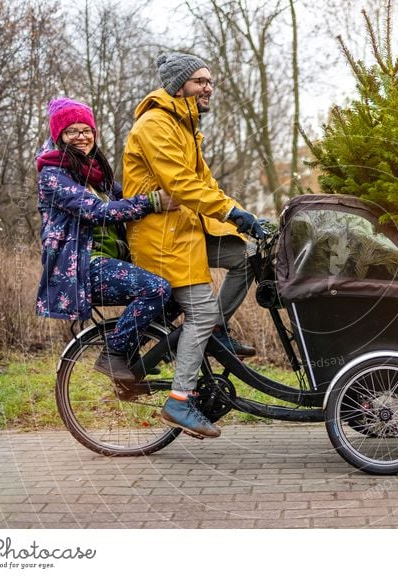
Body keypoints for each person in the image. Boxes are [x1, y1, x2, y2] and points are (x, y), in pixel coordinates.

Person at [123, 52, 265, 439]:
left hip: (186, 230)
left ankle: (216, 328)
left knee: (249, 255)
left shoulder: (185, 127)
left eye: (210, 82)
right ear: (179, 84)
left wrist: (243, 215)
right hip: (162, 237)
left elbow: (206, 185)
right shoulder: (155, 125)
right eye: (201, 81)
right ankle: (180, 401)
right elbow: (182, 186)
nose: (208, 88)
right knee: (199, 312)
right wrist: (234, 215)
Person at [35, 97, 178, 388]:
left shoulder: (94, 174)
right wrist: (152, 201)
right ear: (59, 136)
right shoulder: (53, 176)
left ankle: (131, 354)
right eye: (72, 131)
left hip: (107, 261)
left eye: (86, 130)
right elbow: (97, 211)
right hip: (82, 267)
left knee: (175, 293)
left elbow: (124, 196)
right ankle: (114, 351)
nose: (82, 136)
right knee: (157, 289)